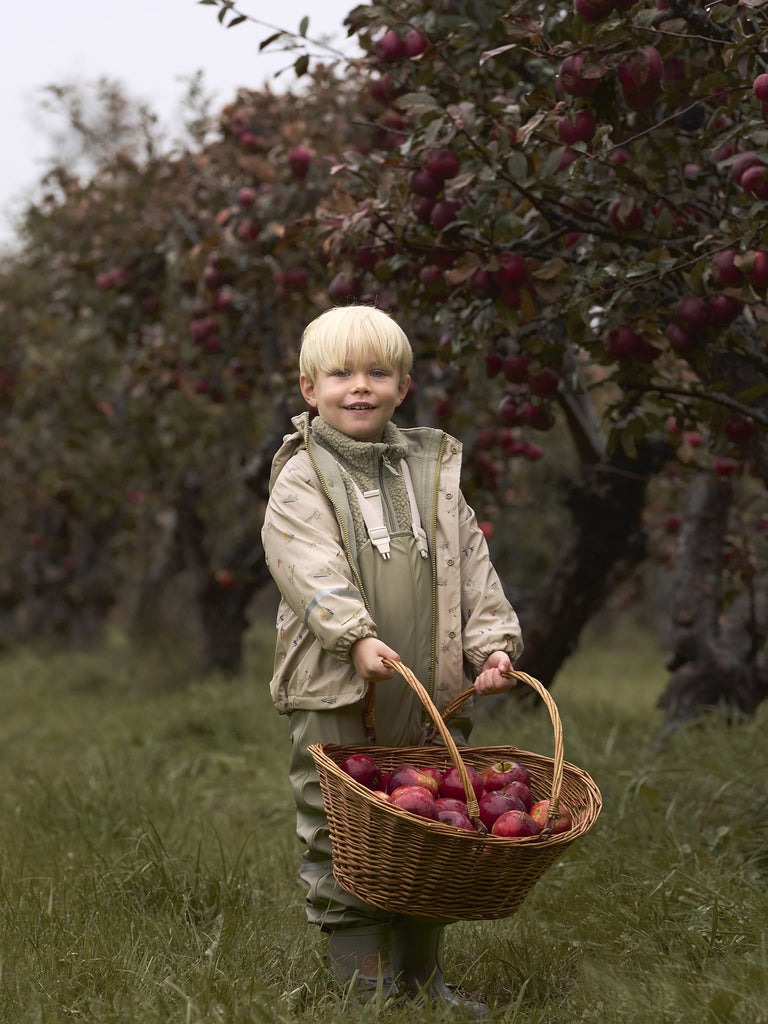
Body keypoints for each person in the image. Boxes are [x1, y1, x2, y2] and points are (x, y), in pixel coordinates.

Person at [261, 304, 523, 1018]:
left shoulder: (432, 470)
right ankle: (364, 981)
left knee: (438, 823)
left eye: (378, 372)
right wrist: (353, 635)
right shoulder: (302, 476)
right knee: (342, 823)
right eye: (341, 373)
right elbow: (306, 565)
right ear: (310, 389)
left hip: (429, 687)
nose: (360, 386)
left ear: (403, 386)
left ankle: (422, 977)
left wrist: (491, 644)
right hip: (337, 684)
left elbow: (472, 563)